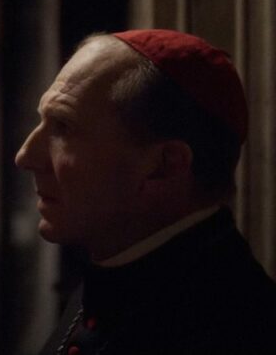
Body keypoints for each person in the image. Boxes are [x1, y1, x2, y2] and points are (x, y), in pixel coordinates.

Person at [15, 29, 276, 354]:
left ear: (164, 165)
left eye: (63, 127)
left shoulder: (235, 328)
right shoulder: (116, 263)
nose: (25, 156)